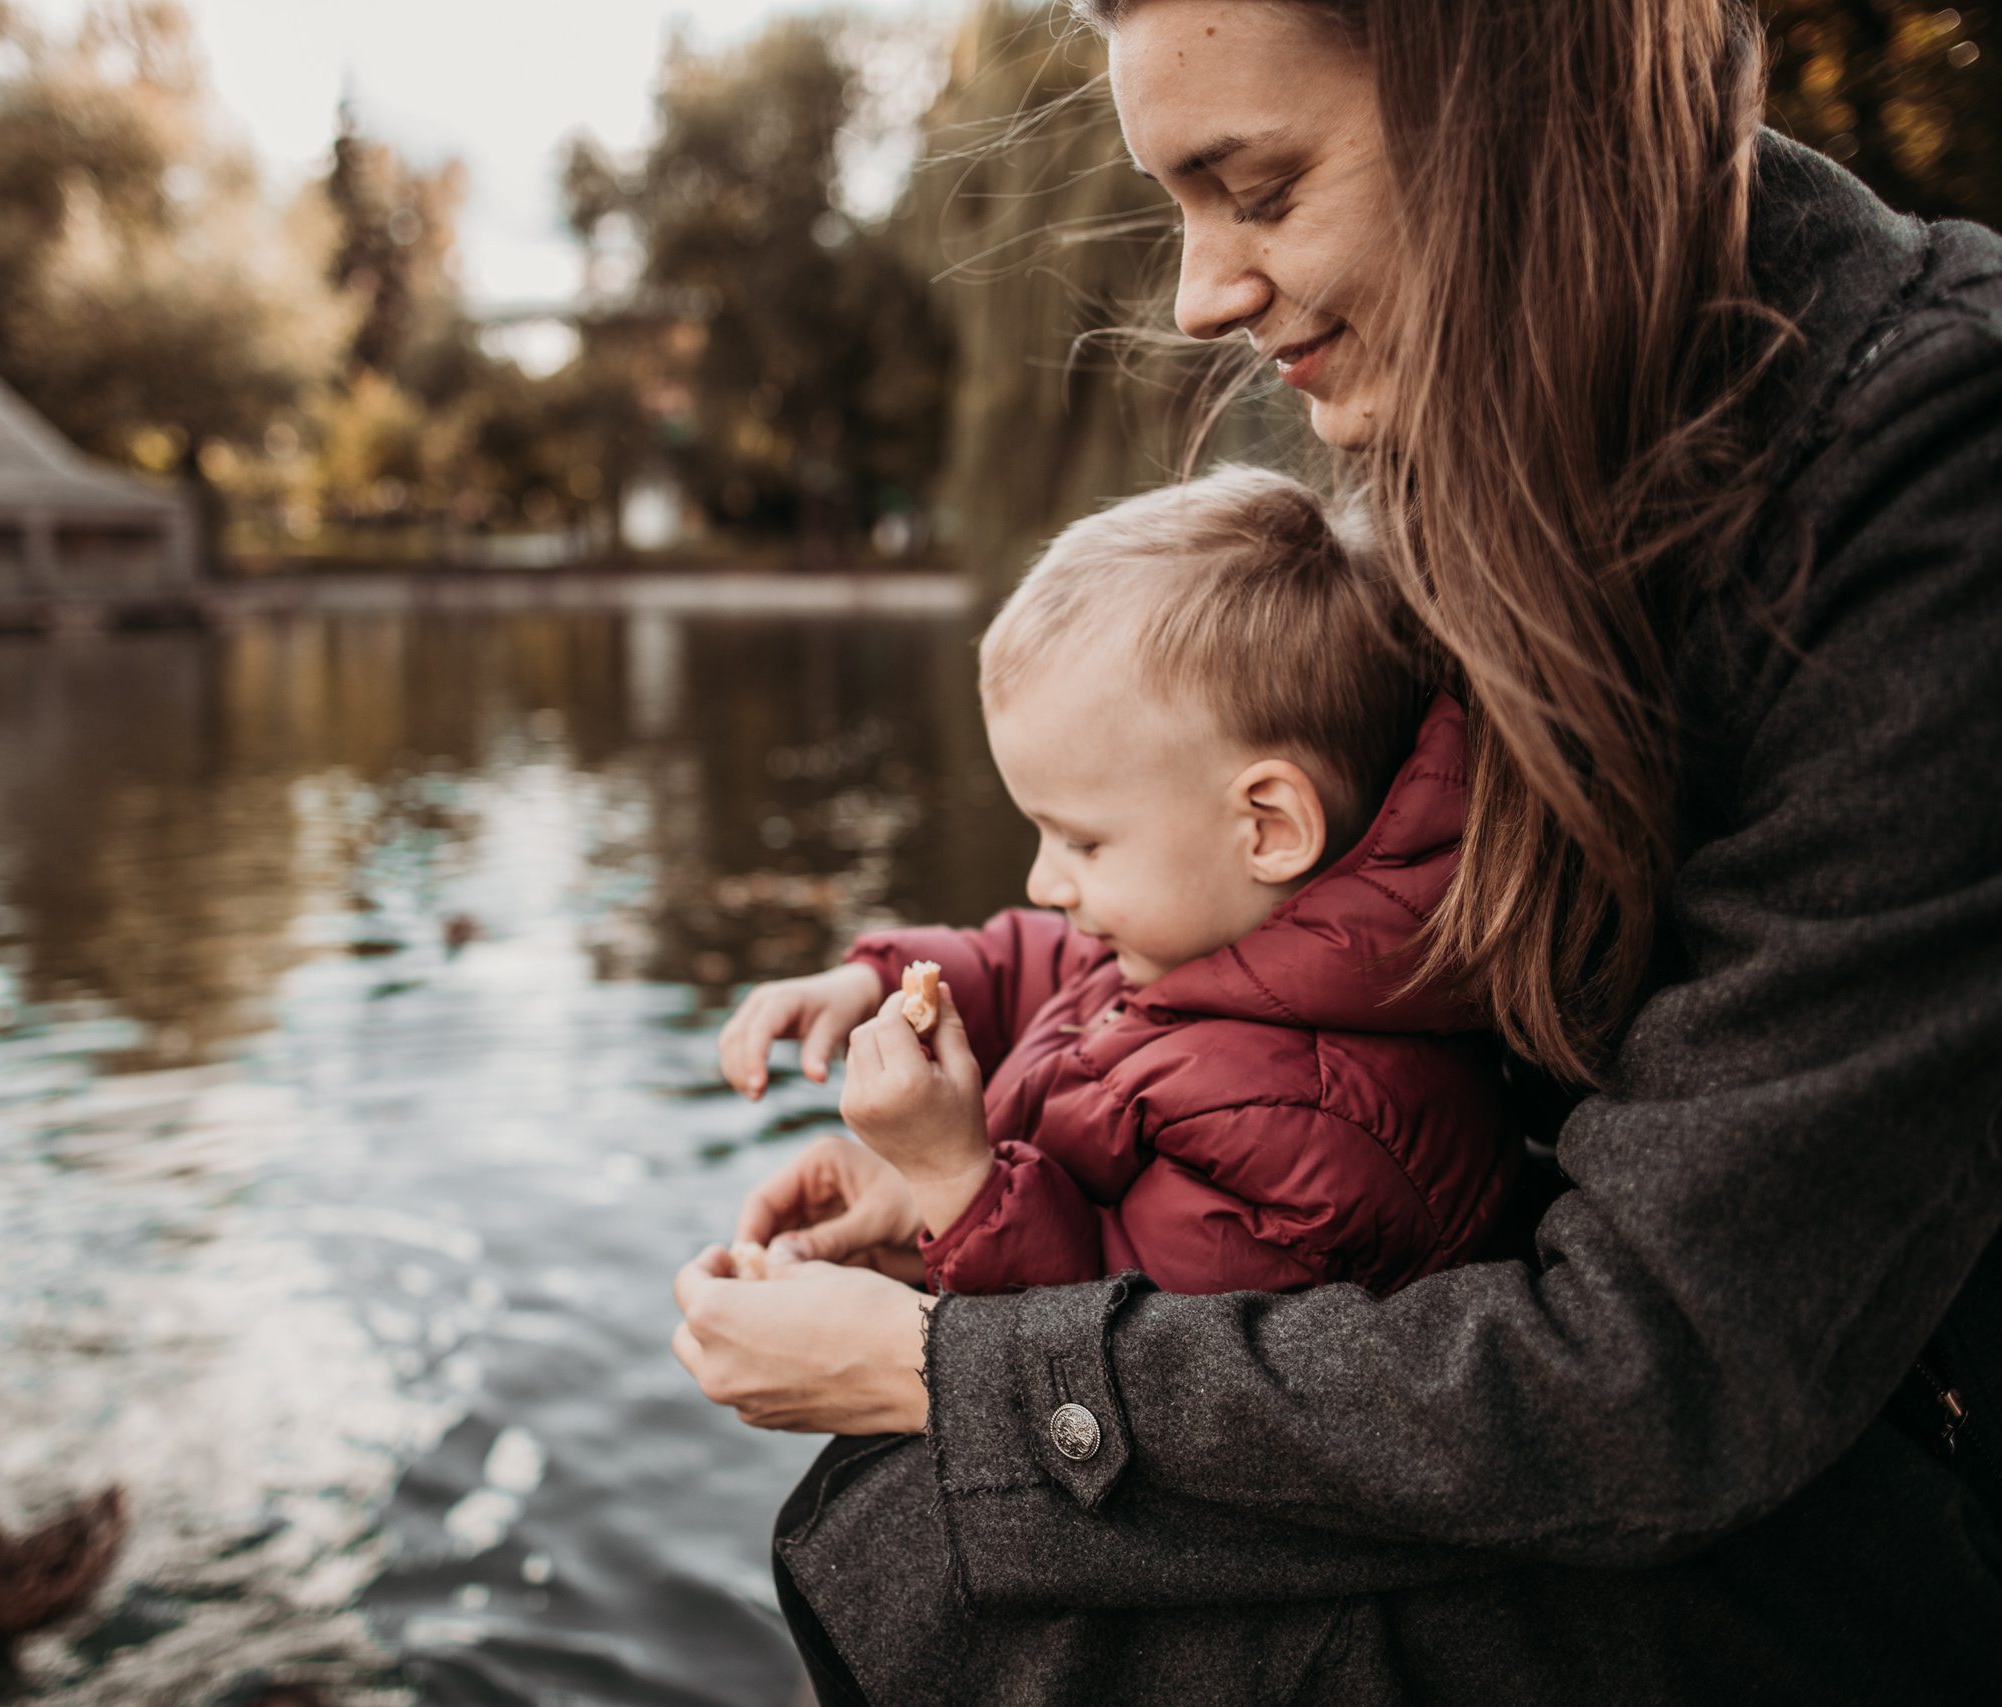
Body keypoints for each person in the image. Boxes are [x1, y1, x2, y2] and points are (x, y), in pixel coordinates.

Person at [669, 0, 2002, 1699]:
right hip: (1618, 1414)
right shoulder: (1488, 419)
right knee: (935, 1520)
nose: (1197, 296)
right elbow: (1256, 1014)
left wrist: (951, 1366)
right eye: (1178, 205)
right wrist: (996, 1177)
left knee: (973, 1548)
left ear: (1512, 91)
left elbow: (1658, 1367)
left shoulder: (1937, 478)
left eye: (1260, 190)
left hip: (1880, 1508)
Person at [723, 468, 1513, 1300]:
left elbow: (1113, 1342)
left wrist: (950, 1175)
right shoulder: (1186, 937)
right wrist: (874, 981)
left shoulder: (1319, 1134)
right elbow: (1035, 966)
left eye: (1082, 841)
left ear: (1268, 829)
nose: (1042, 882)